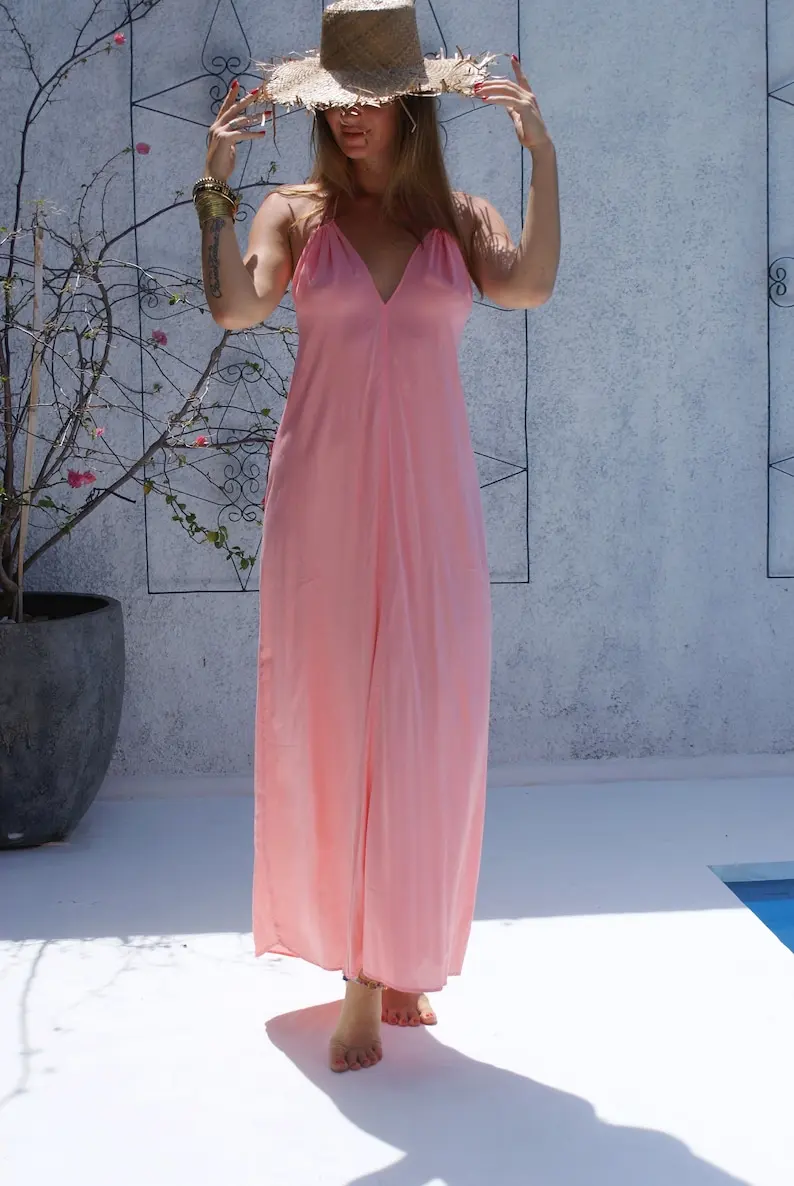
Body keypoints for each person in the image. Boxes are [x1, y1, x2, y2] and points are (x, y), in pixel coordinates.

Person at [194, 0, 560, 1073]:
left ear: (411, 105)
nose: (348, 119)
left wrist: (541, 156)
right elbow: (234, 310)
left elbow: (531, 286)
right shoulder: (296, 214)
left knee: (427, 723)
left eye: (369, 100)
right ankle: (360, 974)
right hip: (326, 501)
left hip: (434, 507)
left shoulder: (460, 221)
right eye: (333, 103)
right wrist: (214, 183)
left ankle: (400, 948)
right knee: (341, 716)